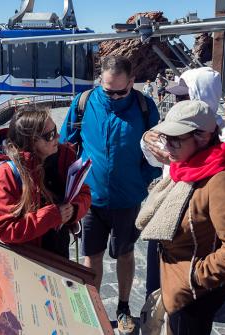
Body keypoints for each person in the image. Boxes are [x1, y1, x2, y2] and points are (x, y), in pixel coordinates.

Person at [60, 55, 161, 334]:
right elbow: (65, 145)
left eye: (121, 90)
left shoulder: (144, 107)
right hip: (90, 199)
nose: (115, 96)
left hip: (128, 200)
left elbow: (158, 151)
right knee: (91, 257)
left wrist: (140, 181)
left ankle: (123, 307)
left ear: (132, 82)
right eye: (108, 90)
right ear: (99, 81)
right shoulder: (83, 103)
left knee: (125, 254)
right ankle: (92, 310)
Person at [136, 100, 225, 335]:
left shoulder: (221, 181)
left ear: (202, 137)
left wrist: (195, 277)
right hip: (175, 282)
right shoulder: (186, 167)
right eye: (165, 137)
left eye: (175, 138)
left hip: (193, 295)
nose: (167, 144)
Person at [0, 107, 91, 258]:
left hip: (59, 253)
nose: (58, 137)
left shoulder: (64, 157)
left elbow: (84, 193)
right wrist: (52, 216)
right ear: (30, 141)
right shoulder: (7, 173)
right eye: (50, 135)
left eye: (55, 130)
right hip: (28, 258)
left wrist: (74, 210)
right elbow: (5, 229)